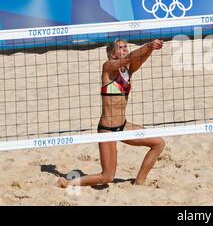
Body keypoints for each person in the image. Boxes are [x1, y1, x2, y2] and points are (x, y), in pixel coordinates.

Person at [57, 38, 165, 187]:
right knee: (107, 176)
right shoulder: (108, 67)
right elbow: (130, 57)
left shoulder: (127, 70)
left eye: (126, 46)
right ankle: (67, 183)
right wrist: (148, 45)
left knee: (158, 143)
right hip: (107, 130)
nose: (125, 49)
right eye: (121, 47)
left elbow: (138, 58)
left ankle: (139, 182)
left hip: (123, 126)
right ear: (113, 54)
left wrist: (151, 49)